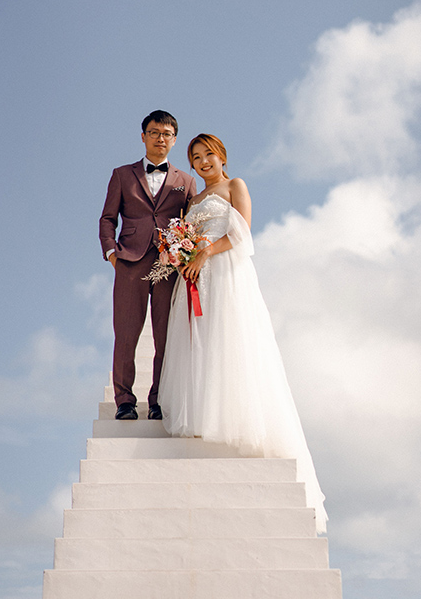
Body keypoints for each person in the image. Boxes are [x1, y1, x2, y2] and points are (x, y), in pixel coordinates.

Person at [158, 133, 327, 534]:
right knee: (196, 341)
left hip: (225, 275)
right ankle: (201, 408)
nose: (201, 162)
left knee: (229, 339)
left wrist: (203, 252)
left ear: (221, 156)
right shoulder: (192, 201)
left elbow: (244, 234)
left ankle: (230, 410)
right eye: (195, 158)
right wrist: (181, 255)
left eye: (207, 155)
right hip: (194, 279)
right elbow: (182, 235)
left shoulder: (235, 187)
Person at [99, 110, 197, 421]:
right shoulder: (122, 175)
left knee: (167, 334)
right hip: (129, 261)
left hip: (170, 267)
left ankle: (158, 400)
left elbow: (192, 224)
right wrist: (112, 254)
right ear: (143, 136)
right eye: (154, 133)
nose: (160, 139)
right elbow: (107, 219)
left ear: (174, 140)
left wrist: (187, 257)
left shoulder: (187, 181)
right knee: (126, 333)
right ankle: (125, 401)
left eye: (166, 134)